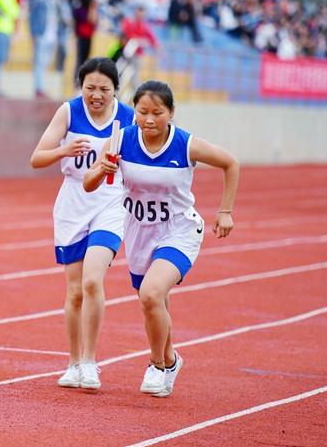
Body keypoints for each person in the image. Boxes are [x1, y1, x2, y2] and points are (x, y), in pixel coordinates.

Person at [83, 79, 239, 398]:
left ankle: (157, 365)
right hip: (139, 231)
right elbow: (89, 183)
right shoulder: (121, 139)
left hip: (180, 229)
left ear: (171, 112)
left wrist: (225, 211)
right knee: (154, 301)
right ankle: (170, 358)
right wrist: (103, 168)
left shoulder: (185, 144)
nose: (149, 119)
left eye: (157, 112)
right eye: (142, 112)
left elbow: (230, 163)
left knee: (151, 294)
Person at [30, 57, 135, 390]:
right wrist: (64, 151)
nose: (96, 95)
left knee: (92, 281)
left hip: (111, 201)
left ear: (115, 90)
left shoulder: (128, 118)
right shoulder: (69, 112)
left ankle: (90, 362)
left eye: (104, 89)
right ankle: (74, 363)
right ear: (81, 87)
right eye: (90, 88)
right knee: (74, 291)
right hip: (73, 202)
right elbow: (36, 158)